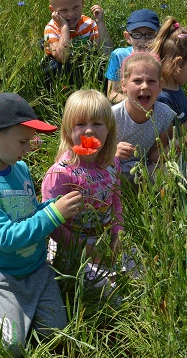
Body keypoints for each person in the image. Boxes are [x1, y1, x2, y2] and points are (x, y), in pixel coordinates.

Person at [0, 92, 83, 357]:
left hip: (38, 271)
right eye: (23, 141)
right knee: (8, 347)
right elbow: (6, 238)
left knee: (54, 334)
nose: (28, 148)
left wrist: (55, 206)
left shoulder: (20, 168)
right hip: (2, 276)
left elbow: (30, 211)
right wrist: (53, 216)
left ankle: (21, 313)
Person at [41, 89, 125, 286]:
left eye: (97, 124)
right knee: (104, 286)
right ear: (68, 132)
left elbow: (116, 201)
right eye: (80, 124)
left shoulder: (112, 164)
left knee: (137, 271)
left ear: (109, 130)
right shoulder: (60, 174)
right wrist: (85, 251)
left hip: (102, 240)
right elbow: (53, 225)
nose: (89, 131)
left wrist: (117, 235)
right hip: (68, 246)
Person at [113, 52, 175, 182]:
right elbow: (95, 154)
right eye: (137, 81)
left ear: (160, 86)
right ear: (124, 85)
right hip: (115, 170)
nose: (145, 86)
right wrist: (112, 153)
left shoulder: (164, 114)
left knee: (170, 170)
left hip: (145, 169)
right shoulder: (113, 116)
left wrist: (173, 148)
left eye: (151, 81)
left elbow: (155, 155)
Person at [42, 0, 112, 84]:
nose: (71, 14)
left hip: (85, 69)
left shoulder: (88, 24)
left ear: (82, 3)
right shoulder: (51, 28)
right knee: (54, 68)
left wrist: (100, 23)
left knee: (104, 65)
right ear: (53, 10)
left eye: (75, 7)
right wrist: (64, 27)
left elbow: (106, 52)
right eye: (64, 10)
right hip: (62, 73)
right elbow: (62, 57)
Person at [105, 9, 160, 103]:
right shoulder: (119, 56)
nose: (143, 40)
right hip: (125, 107)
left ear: (158, 36)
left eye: (150, 34)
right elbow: (111, 93)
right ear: (127, 37)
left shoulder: (161, 57)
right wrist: (135, 102)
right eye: (137, 34)